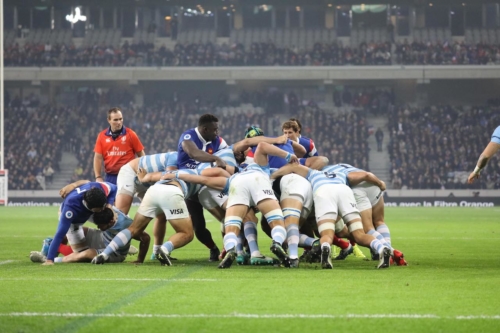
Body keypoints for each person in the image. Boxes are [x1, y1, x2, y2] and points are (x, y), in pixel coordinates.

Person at [270, 163, 391, 269]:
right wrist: (381, 184)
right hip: (344, 191)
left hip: (324, 192)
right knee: (359, 234)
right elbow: (367, 175)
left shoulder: (313, 173)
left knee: (327, 234)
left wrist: (273, 176)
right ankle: (381, 248)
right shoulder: (343, 173)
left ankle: (326, 248)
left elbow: (293, 167)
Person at [91, 168, 198, 266]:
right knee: (187, 233)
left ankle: (104, 254)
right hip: (172, 192)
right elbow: (206, 182)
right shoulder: (199, 171)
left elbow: (148, 177)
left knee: (133, 229)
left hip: (153, 190)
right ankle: (164, 249)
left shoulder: (170, 172)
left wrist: (142, 177)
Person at [177, 114, 228, 261]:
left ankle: (234, 248)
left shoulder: (218, 141)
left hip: (209, 185)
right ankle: (213, 248)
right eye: (215, 129)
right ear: (205, 129)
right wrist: (215, 158)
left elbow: (229, 154)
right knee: (198, 227)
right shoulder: (188, 136)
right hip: (191, 188)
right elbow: (194, 153)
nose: (217, 132)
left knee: (228, 216)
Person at [30, 206, 150, 264]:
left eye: (100, 225)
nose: (98, 227)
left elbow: (146, 237)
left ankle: (50, 260)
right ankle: (51, 250)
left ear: (111, 222)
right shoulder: (107, 210)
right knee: (73, 231)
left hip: (115, 253)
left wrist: (140, 260)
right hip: (102, 237)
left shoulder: (126, 224)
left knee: (86, 254)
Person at [42, 181, 117, 265]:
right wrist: (49, 260)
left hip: (91, 212)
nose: (103, 209)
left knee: (112, 218)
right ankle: (51, 246)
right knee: (82, 254)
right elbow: (60, 233)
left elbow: (114, 188)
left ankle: (119, 243)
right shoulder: (70, 210)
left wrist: (109, 205)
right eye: (100, 208)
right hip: (75, 220)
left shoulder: (98, 189)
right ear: (90, 207)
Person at [93, 107, 145, 185]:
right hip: (110, 177)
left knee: (124, 197)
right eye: (116, 120)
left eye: (121, 119)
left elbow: (141, 154)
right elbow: (98, 158)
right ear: (109, 120)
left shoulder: (131, 134)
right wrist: (98, 177)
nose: (119, 122)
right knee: (111, 197)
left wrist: (142, 171)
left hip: (128, 175)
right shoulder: (101, 136)